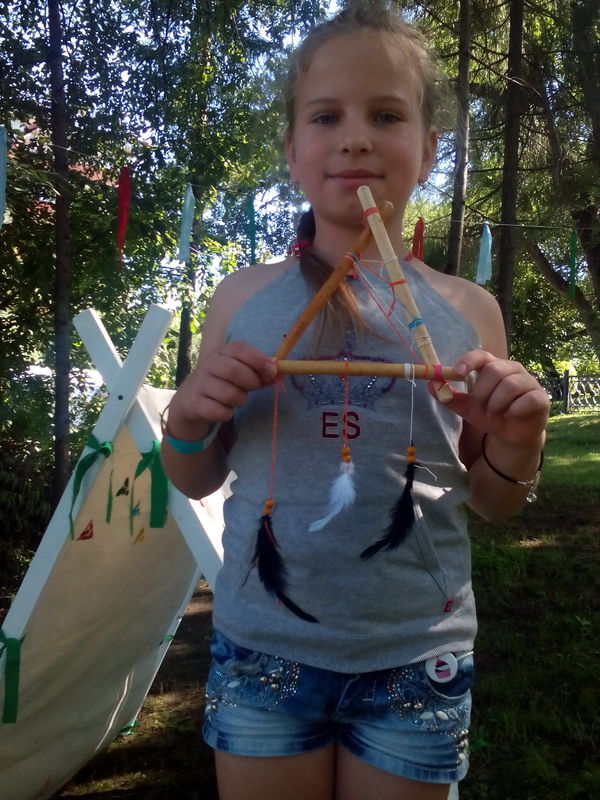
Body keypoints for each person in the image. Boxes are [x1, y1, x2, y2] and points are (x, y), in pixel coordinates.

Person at [160, 2, 549, 798]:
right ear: (292, 152)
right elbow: (195, 476)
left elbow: (492, 501)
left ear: (429, 149)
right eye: (326, 116)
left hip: (417, 651)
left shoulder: (468, 311)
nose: (356, 138)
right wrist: (189, 419)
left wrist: (518, 441)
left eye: (386, 115)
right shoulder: (242, 299)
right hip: (264, 645)